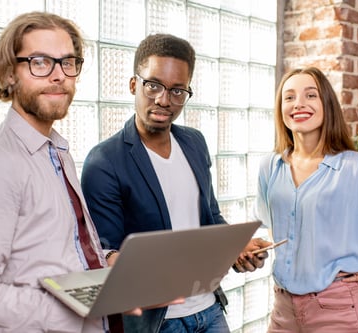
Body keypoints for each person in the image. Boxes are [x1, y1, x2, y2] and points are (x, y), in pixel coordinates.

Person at [0, 11, 161, 333]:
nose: (58, 75)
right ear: (9, 74)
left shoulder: (55, 151)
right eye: (39, 62)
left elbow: (52, 252)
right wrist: (76, 308)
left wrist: (108, 264)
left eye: (67, 62)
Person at [81, 33, 271, 333]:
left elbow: (210, 218)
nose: (163, 100)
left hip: (209, 310)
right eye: (153, 85)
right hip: (158, 323)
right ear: (134, 84)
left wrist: (236, 247)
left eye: (178, 90)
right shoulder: (103, 161)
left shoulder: (195, 143)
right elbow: (102, 250)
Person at [252, 66, 358, 332]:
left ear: (327, 105)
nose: (298, 104)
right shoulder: (269, 167)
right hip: (283, 309)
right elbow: (276, 230)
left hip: (338, 310)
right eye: (289, 97)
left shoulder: (357, 169)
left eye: (311, 95)